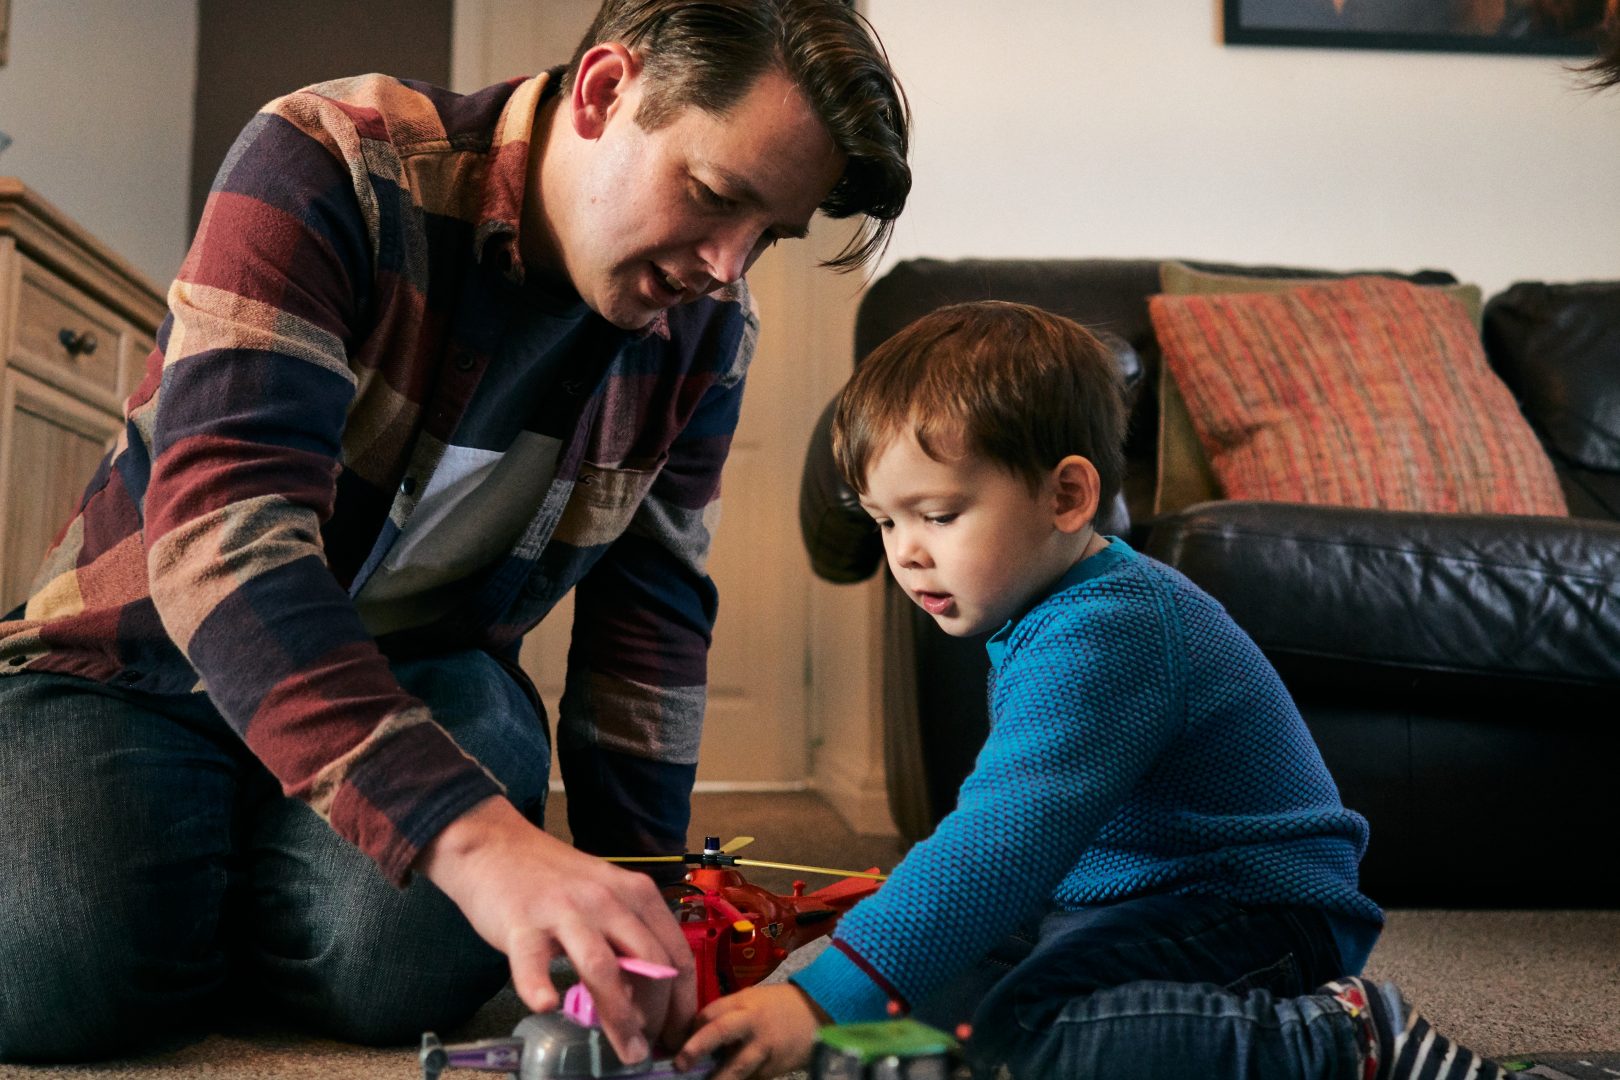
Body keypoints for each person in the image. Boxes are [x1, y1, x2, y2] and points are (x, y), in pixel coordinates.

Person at [0, 0, 908, 1067]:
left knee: (401, 970)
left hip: (426, 680)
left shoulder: (707, 327)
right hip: (140, 664)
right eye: (715, 197)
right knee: (50, 975)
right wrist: (472, 840)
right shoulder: (328, 159)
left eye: (769, 235)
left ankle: (220, 876)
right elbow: (222, 537)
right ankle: (224, 871)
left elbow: (649, 617)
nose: (727, 266)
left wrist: (656, 902)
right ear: (605, 90)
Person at [674, 302, 1511, 1080]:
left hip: (1246, 904)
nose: (906, 553)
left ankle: (1346, 1038)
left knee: (1022, 1037)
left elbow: (1001, 840)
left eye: (937, 513)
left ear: (1066, 495)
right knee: (922, 1007)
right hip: (1119, 893)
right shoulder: (1045, 604)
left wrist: (815, 1000)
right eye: (886, 521)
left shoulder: (1113, 628)